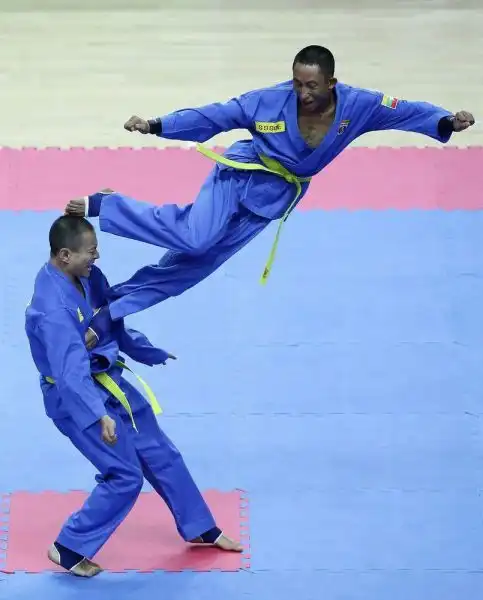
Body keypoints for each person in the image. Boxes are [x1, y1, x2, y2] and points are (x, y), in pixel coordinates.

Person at [65, 45, 475, 321]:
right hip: (238, 175)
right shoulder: (266, 102)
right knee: (195, 236)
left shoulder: (359, 106)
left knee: (195, 266)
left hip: (273, 198)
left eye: (312, 85)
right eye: (297, 83)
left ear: (331, 84)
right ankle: (107, 205)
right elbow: (214, 117)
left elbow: (405, 112)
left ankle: (112, 306)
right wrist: (158, 125)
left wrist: (445, 121)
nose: (303, 93)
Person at [24, 216, 242, 578]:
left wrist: (143, 349)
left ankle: (199, 526)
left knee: (159, 450)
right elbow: (69, 374)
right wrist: (99, 415)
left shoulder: (86, 276)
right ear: (64, 255)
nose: (97, 256)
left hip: (105, 378)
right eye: (90, 251)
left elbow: (109, 319)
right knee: (124, 475)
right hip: (73, 398)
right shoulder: (53, 310)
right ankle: (68, 547)